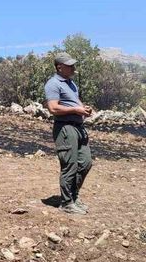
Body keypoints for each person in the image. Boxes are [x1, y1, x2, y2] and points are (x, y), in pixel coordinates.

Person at [44, 52, 93, 215]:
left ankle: (74, 196)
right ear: (59, 67)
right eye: (70, 65)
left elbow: (76, 101)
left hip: (78, 126)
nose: (73, 68)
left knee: (85, 163)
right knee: (70, 165)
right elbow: (53, 108)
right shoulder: (53, 84)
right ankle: (66, 202)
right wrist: (75, 109)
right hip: (65, 127)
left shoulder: (71, 84)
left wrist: (84, 108)